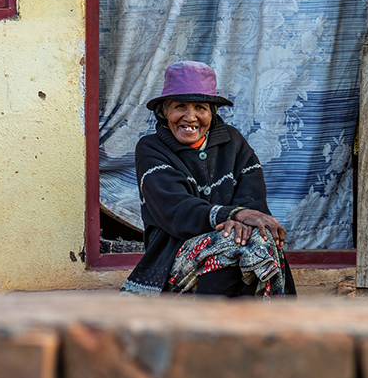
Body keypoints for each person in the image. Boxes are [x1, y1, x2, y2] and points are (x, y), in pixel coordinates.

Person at [120, 61, 296, 298]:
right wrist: (232, 215)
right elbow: (176, 210)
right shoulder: (151, 148)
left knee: (255, 240)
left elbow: (253, 197)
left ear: (212, 113)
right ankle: (208, 324)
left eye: (200, 108)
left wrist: (243, 220)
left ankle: (253, 324)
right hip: (174, 254)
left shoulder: (233, 142)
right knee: (232, 248)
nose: (190, 117)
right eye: (180, 106)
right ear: (164, 112)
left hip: (236, 242)